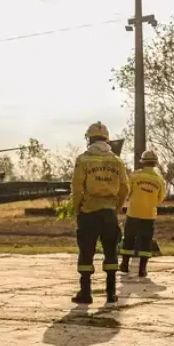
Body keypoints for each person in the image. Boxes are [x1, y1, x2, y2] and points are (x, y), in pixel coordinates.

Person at [70, 122, 129, 304]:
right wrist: (116, 207)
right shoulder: (117, 161)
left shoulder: (83, 159)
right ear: (107, 139)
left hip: (88, 212)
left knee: (86, 252)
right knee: (111, 252)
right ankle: (111, 293)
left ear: (89, 139)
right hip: (109, 212)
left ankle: (85, 293)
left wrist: (76, 208)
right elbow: (125, 188)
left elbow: (77, 187)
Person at [120, 150, 166, 278]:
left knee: (129, 239)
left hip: (133, 213)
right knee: (146, 241)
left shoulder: (134, 176)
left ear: (142, 162)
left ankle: (124, 264)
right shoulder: (159, 180)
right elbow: (160, 198)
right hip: (149, 215)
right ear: (155, 163)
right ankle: (142, 269)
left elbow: (127, 193)